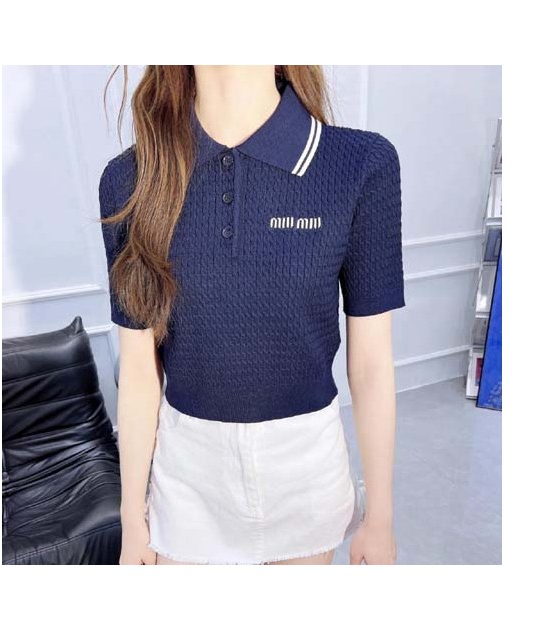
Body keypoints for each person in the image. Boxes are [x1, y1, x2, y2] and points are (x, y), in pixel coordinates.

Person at [99, 65, 405, 565]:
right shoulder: (129, 181)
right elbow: (137, 370)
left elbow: (371, 365)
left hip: (307, 478)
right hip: (188, 483)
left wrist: (381, 518)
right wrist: (133, 519)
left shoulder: (360, 165)